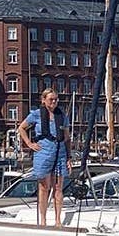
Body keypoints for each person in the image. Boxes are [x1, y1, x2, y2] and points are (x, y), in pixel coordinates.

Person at [18, 88, 70, 227]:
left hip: (60, 151)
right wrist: (29, 143)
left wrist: (69, 157)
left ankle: (58, 220)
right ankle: (43, 220)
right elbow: (22, 128)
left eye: (56, 99)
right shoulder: (36, 115)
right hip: (43, 151)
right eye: (51, 99)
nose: (54, 102)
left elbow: (67, 137)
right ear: (43, 100)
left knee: (58, 187)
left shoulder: (62, 116)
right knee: (43, 186)